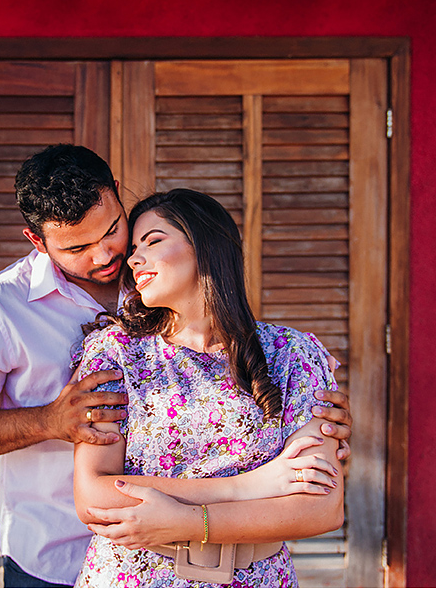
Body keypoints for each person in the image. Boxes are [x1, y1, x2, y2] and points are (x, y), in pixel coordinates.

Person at [0, 145, 353, 588]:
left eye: (112, 231)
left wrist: (306, 414)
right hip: (58, 557)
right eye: (77, 247)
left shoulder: (159, 276)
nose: (106, 256)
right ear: (37, 240)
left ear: (116, 194)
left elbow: (314, 494)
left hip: (242, 561)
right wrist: (48, 421)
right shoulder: (1, 310)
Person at [72, 189, 343, 587]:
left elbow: (322, 508)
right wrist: (248, 486)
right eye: (133, 249)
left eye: (153, 241)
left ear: (205, 245)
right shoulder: (116, 352)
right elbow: (95, 496)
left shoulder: (293, 354)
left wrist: (190, 521)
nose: (132, 259)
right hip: (134, 577)